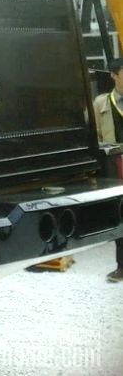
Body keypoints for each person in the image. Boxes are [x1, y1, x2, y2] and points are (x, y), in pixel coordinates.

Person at [92, 58, 123, 283]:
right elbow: (95, 139)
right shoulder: (101, 103)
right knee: (121, 220)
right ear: (113, 75)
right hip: (117, 169)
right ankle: (122, 266)